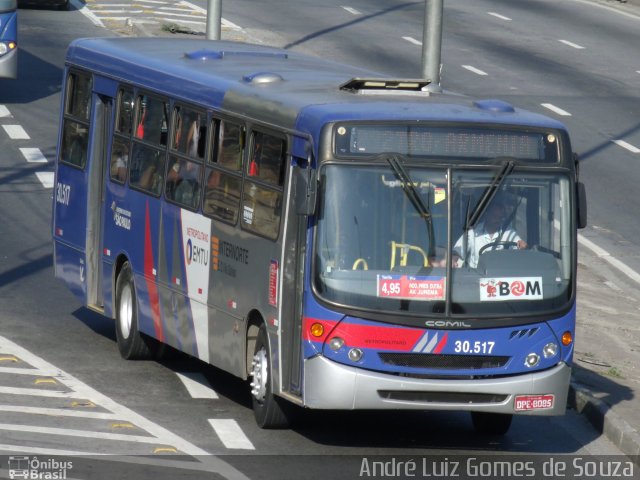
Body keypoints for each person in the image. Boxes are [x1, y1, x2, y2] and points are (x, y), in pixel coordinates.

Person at [451, 199, 527, 268]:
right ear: (487, 215)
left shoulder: (509, 232)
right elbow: (457, 251)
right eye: (495, 216)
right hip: (476, 277)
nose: (498, 220)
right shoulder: (473, 233)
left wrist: (522, 245)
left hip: (500, 276)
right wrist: (453, 260)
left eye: (500, 217)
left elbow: (521, 245)